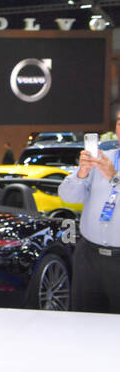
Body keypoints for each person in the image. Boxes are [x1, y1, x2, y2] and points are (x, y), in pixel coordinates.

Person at [59, 110, 120, 313]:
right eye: (119, 122)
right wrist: (81, 173)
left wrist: (114, 177)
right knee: (84, 320)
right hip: (89, 256)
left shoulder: (109, 167)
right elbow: (68, 196)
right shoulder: (101, 158)